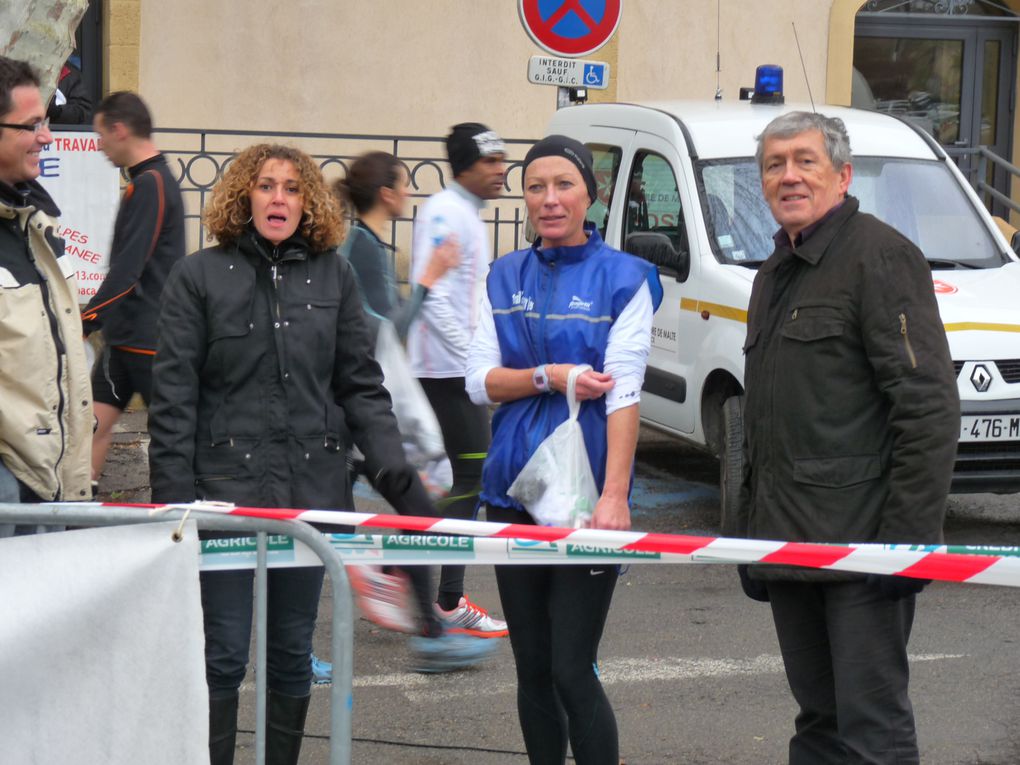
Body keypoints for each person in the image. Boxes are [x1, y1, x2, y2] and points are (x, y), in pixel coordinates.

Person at [148, 143, 493, 765]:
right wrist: (175, 507)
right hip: (223, 500)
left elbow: (361, 386)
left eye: (291, 188)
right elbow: (174, 401)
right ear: (243, 198)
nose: (278, 198)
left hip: (310, 499)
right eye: (265, 186)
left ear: (308, 202)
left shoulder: (334, 274)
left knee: (289, 654)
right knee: (221, 654)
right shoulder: (197, 277)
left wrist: (395, 469)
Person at [730, 111, 960, 765]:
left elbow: (929, 407)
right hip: (788, 543)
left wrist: (906, 545)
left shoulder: (880, 256)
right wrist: (752, 537)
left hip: (864, 550)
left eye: (805, 160)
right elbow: (766, 419)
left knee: (872, 731)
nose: (789, 175)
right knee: (819, 724)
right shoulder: (774, 272)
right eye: (774, 164)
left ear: (842, 174)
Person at [466, 135, 663, 764]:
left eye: (564, 185)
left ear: (590, 194)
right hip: (510, 493)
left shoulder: (626, 278)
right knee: (532, 671)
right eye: (535, 187)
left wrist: (614, 498)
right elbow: (478, 381)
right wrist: (551, 375)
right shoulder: (502, 275)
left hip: (586, 499)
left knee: (573, 670)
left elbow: (625, 394)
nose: (549, 200)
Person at [407, 122, 509, 637]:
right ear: (466, 166)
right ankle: (445, 600)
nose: (502, 170)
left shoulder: (461, 210)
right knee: (471, 477)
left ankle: (410, 575)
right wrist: (477, 367)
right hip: (448, 371)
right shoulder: (448, 212)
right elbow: (439, 303)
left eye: (503, 160)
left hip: (450, 367)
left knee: (453, 478)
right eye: (491, 162)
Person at [0, 56, 92, 529]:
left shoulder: (38, 223)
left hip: (50, 486)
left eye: (47, 122)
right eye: (32, 125)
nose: (48, 138)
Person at [82, 91, 185, 491]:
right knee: (89, 429)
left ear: (120, 130)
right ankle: (75, 511)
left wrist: (86, 320)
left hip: (151, 345)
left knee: (172, 445)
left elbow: (128, 270)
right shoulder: (147, 181)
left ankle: (173, 523)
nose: (99, 145)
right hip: (126, 341)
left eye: (101, 135)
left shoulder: (152, 184)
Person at [334, 151, 458, 340]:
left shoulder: (366, 241)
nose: (408, 192)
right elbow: (392, 329)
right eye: (404, 185)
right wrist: (429, 277)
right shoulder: (364, 248)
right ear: (387, 194)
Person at [46, 58, 92, 125]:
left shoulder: (71, 74)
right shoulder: (26, 69)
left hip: (57, 132)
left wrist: (58, 111)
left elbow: (82, 111)